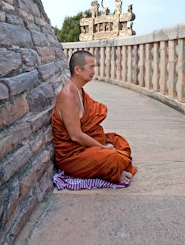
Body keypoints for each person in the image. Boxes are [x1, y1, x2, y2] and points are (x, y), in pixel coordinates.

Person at [51, 50, 137, 185]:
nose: (94, 71)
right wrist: (103, 148)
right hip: (72, 155)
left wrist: (103, 144)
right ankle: (115, 171)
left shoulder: (78, 90)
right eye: (91, 67)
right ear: (78, 70)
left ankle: (116, 164)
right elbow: (75, 136)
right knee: (112, 157)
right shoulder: (68, 95)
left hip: (83, 146)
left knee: (118, 140)